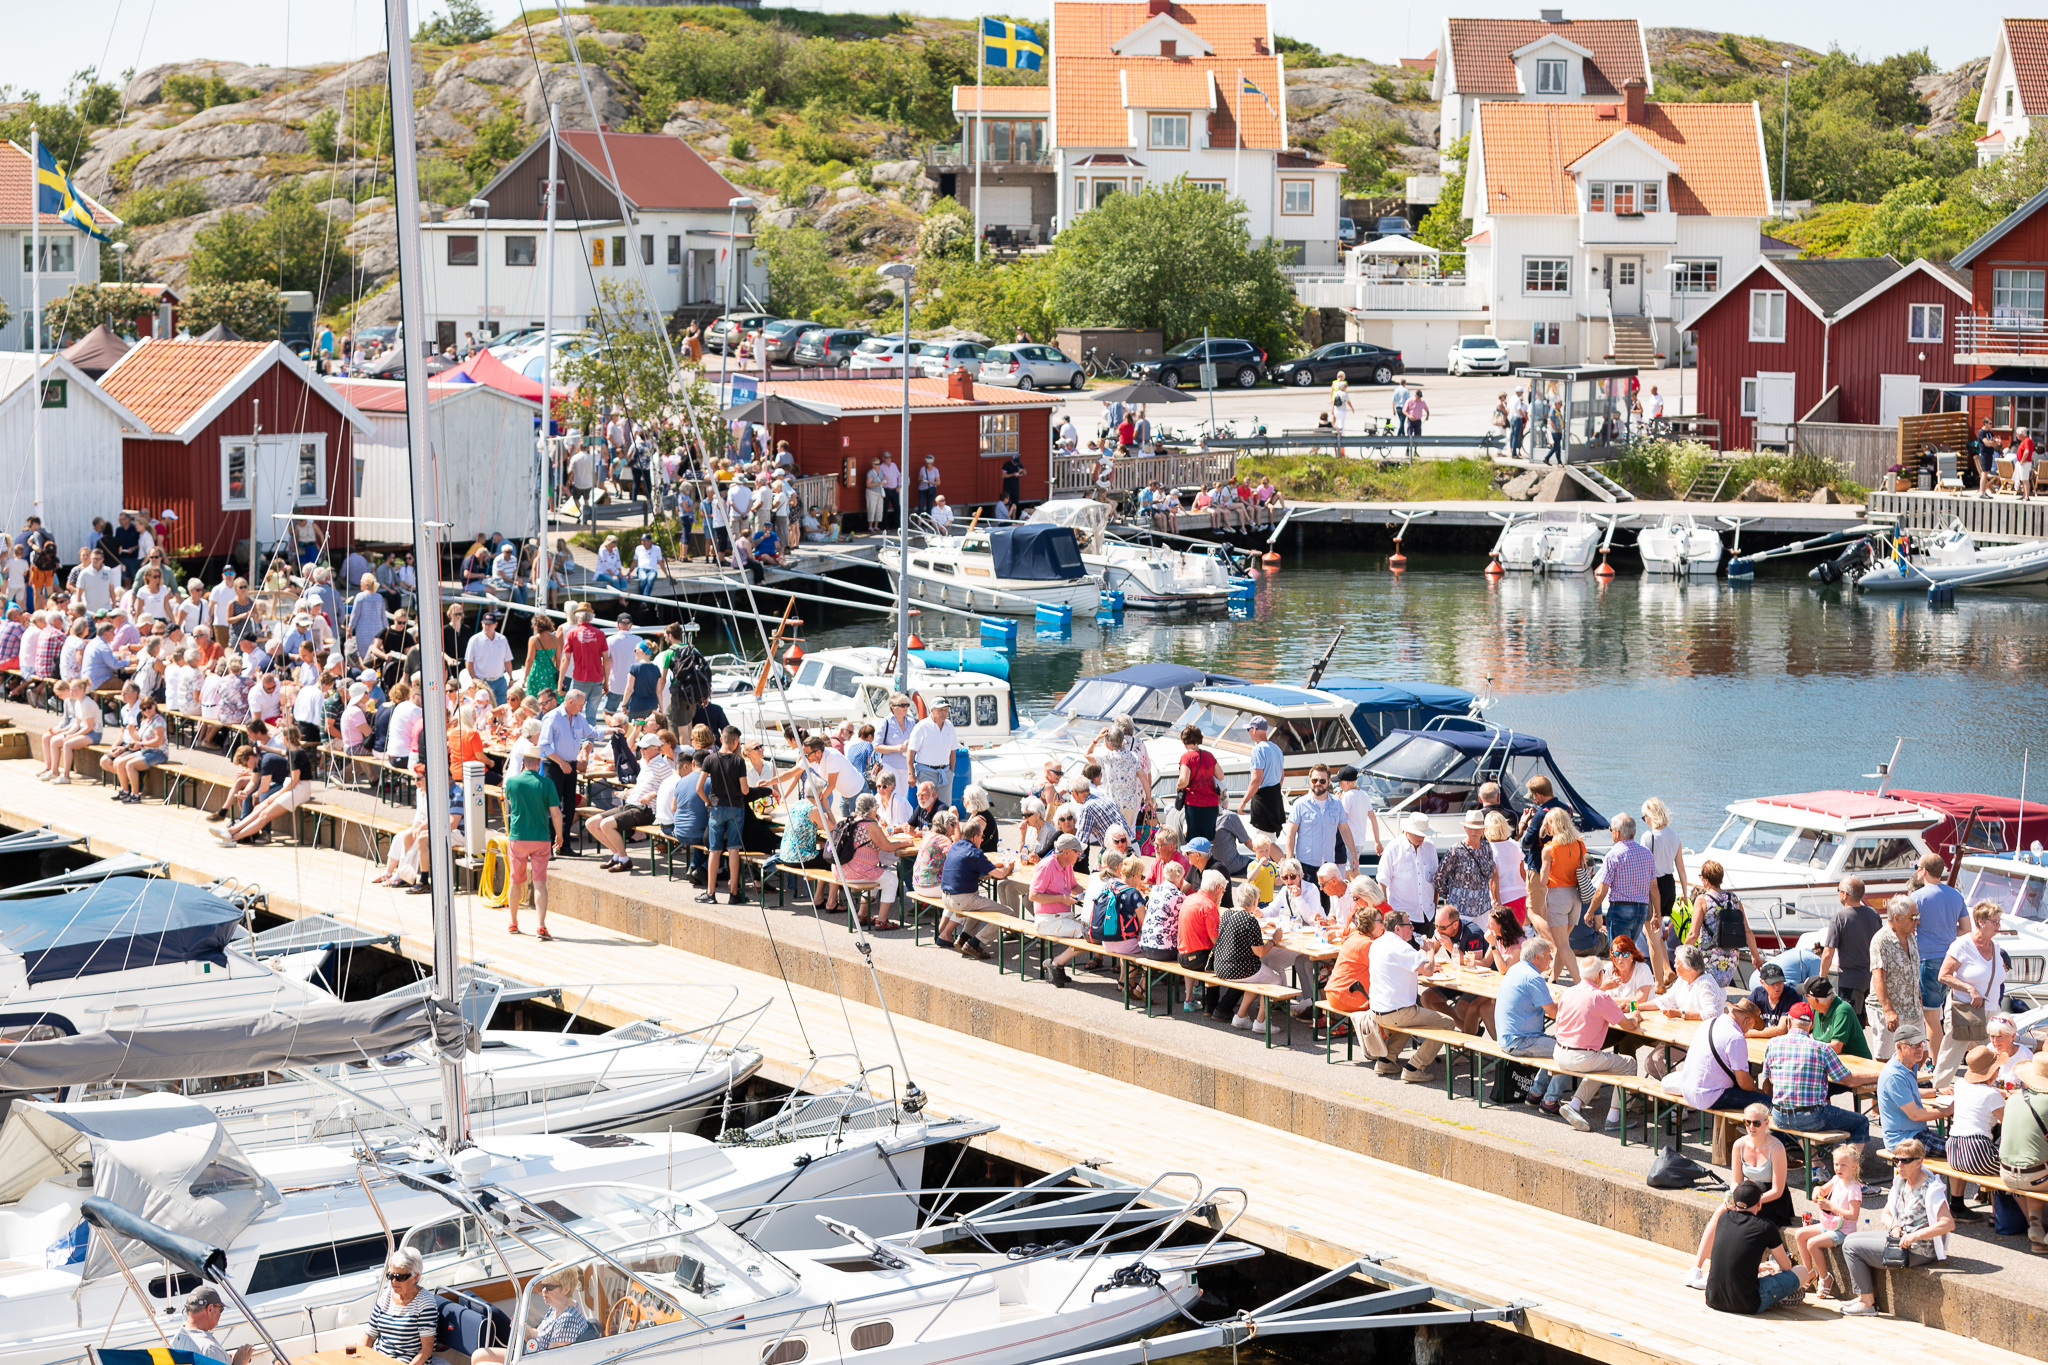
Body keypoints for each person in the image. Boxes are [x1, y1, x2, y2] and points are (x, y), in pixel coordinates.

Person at [1838, 1137, 1954, 1316]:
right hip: (1899, 1237)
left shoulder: (1931, 1188)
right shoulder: (1900, 1181)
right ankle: (1863, 1297)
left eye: (1905, 1160)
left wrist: (1915, 1236)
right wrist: (1895, 1227)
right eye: (1896, 1160)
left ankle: (1867, 1302)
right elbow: (1885, 1214)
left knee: (1852, 1246)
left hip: (1919, 1249)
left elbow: (1947, 1223)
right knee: (1850, 1239)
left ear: (1919, 1162)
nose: (1899, 1164)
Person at [1761, 1001, 1873, 1145]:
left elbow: (1768, 1081)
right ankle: (1850, 1166)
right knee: (1860, 1122)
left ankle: (1817, 1164)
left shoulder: (1772, 1044)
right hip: (1810, 1117)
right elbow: (1849, 1081)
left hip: (1779, 1116)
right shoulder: (1822, 1048)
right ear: (1812, 1025)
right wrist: (1881, 1074)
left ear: (1789, 1022)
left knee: (1807, 1111)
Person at [1696, 1181, 1814, 1315]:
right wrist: (1776, 1268)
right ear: (1759, 1203)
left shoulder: (1724, 1218)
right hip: (1748, 1303)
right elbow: (1786, 1267)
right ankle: (1779, 1296)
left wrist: (1758, 1267)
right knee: (1802, 1271)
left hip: (1713, 1298)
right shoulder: (1766, 1226)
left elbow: (1733, 1259)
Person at [1370, 908, 1453, 1083]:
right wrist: (1430, 952)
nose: (1413, 928)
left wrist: (1421, 966)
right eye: (1409, 925)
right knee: (1447, 1023)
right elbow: (1429, 971)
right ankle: (1415, 1066)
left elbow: (1397, 969)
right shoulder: (1401, 947)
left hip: (1377, 1011)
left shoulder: (1377, 943)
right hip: (1397, 1013)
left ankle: (1386, 1060)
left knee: (1411, 1015)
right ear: (1398, 928)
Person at [1551, 963, 1636, 1133]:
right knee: (1629, 1063)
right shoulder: (1600, 997)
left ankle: (1575, 1105)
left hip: (1559, 1053)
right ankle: (1614, 1117)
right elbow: (1628, 1026)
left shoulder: (1568, 992)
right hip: (1582, 1058)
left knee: (1603, 1063)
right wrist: (1635, 1017)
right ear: (1600, 975)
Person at [1586, 812, 1662, 984]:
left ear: (1618, 833)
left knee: (1618, 953)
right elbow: (1654, 889)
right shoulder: (1646, 854)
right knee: (1628, 952)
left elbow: (1602, 889)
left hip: (1620, 908)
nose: (1612, 833)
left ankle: (1617, 987)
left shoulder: (1614, 854)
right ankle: (1630, 985)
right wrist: (1656, 914)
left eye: (1612, 830)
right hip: (1641, 909)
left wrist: (1590, 911)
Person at [1935, 900, 2007, 1083]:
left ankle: (1994, 1087)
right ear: (1981, 922)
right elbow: (1943, 975)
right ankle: (1938, 1089)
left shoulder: (1995, 946)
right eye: (1995, 922)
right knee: (1952, 1052)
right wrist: (1970, 989)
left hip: (1991, 1010)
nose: (1998, 926)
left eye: (1999, 921)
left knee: (1993, 1053)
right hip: (1965, 1009)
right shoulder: (1962, 945)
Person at [1910, 854, 1968, 1060]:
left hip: (1929, 961)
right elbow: (1966, 929)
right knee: (1948, 1015)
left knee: (1932, 1019)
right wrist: (1948, 933)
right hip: (1952, 961)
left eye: (1917, 867)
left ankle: (1938, 1065)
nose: (1916, 870)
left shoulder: (1917, 898)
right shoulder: (1956, 896)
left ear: (1924, 870)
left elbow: (1907, 929)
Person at [503, 743, 562, 939]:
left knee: (515, 880)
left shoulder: (512, 782)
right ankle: (541, 926)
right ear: (538, 763)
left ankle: (513, 922)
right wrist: (559, 835)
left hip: (518, 836)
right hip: (540, 838)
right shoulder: (547, 784)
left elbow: (511, 804)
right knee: (540, 883)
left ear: (523, 763)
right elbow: (555, 813)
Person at [473, 1269, 595, 1361]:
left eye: (549, 1287)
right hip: (531, 1355)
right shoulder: (558, 1307)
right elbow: (537, 1334)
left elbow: (552, 1360)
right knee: (478, 1355)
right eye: (543, 1286)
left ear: (566, 1290)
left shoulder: (567, 1320)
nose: (543, 1291)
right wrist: (522, 1327)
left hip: (536, 1360)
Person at [1877, 1026, 1952, 1154]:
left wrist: (1938, 1091)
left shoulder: (1905, 1066)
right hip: (1905, 1140)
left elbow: (1910, 1093)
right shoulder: (1894, 1076)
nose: (1919, 1049)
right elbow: (1916, 1114)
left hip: (1916, 1133)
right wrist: (1949, 1110)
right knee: (1960, 1152)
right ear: (1899, 1047)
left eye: (1921, 1044)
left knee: (1961, 1149)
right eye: (1914, 1045)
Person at [1999, 1058, 2048, 1249]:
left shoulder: (2015, 1097)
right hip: (2036, 1176)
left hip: (2007, 1175)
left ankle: (2035, 1227)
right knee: (2037, 1167)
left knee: (2033, 1162)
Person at [699, 726, 751, 905]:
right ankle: (733, 893)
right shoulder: (739, 761)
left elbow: (699, 788)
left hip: (716, 808)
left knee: (715, 850)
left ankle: (710, 893)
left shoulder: (709, 759)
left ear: (721, 739)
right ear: (736, 742)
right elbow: (744, 789)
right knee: (734, 849)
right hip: (736, 808)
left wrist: (708, 801)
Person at [1821, 876, 1882, 1022]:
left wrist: (1823, 976)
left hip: (1850, 982)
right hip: (1873, 979)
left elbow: (1828, 954)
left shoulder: (1839, 918)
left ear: (1845, 895)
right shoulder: (1874, 915)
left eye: (1838, 890)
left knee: (1850, 1025)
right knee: (1871, 1023)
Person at [362, 1247, 438, 1365]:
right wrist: (359, 1358)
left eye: (400, 1277)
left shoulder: (425, 1303)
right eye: (391, 1276)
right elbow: (370, 1335)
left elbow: (426, 1350)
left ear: (415, 1277)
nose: (393, 1281)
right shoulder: (386, 1297)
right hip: (380, 1359)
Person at [1868, 896, 1922, 1060]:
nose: (1917, 921)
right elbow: (1878, 978)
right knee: (1885, 1059)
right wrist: (1889, 1011)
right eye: (1913, 918)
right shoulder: (1881, 940)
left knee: (1920, 1054)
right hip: (1891, 1013)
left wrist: (1919, 999)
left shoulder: (1911, 936)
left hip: (1912, 1009)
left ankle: (1906, 1084)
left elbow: (1912, 971)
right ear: (1897, 919)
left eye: (1917, 917)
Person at [1534, 807, 1584, 983]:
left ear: (1551, 826)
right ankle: (1553, 978)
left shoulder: (1550, 849)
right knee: (1564, 943)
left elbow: (1543, 880)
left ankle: (1579, 982)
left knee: (1562, 944)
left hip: (1558, 896)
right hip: (1575, 897)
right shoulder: (1579, 844)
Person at [168, 1285, 254, 1365]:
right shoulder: (209, 1349)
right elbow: (206, 1353)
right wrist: (239, 1362)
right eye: (220, 1309)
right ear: (210, 1309)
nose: (220, 1314)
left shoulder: (176, 1339)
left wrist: (223, 1356)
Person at [1379, 813, 1439, 922]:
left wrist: (1434, 907)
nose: (1421, 837)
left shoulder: (1430, 847)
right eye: (1417, 834)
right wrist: (1385, 914)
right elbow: (1382, 882)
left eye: (1423, 834)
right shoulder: (1393, 848)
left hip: (1428, 915)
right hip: (1401, 917)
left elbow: (1436, 880)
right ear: (1407, 831)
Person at [1237, 716, 1286, 836]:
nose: (1249, 733)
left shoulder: (1258, 750)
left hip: (1263, 799)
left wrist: (1243, 802)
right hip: (1275, 796)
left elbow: (1257, 779)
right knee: (1268, 840)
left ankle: (1285, 856)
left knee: (1265, 840)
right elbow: (1281, 778)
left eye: (1249, 730)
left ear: (1254, 730)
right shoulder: (1277, 749)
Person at [1174, 723, 1224, 841]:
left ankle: (1195, 860)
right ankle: (1207, 859)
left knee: (1194, 840)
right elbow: (1221, 776)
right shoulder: (1209, 756)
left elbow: (1184, 780)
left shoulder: (1187, 757)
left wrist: (1178, 786)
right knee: (1208, 839)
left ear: (1184, 740)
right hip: (1211, 805)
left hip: (1195, 804)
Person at [1804, 975, 1870, 1058]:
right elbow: (1799, 1030)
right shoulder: (1815, 1009)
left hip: (1858, 1064)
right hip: (1833, 1061)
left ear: (1815, 1000)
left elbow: (1836, 1047)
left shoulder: (1842, 1010)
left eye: (1806, 996)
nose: (1806, 1000)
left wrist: (1807, 1047)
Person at [1744, 963, 1806, 1037]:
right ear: (1762, 983)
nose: (1777, 986)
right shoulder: (1758, 994)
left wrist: (1746, 1033)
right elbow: (1741, 1015)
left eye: (1780, 982)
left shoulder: (1792, 996)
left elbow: (1782, 1030)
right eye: (1772, 983)